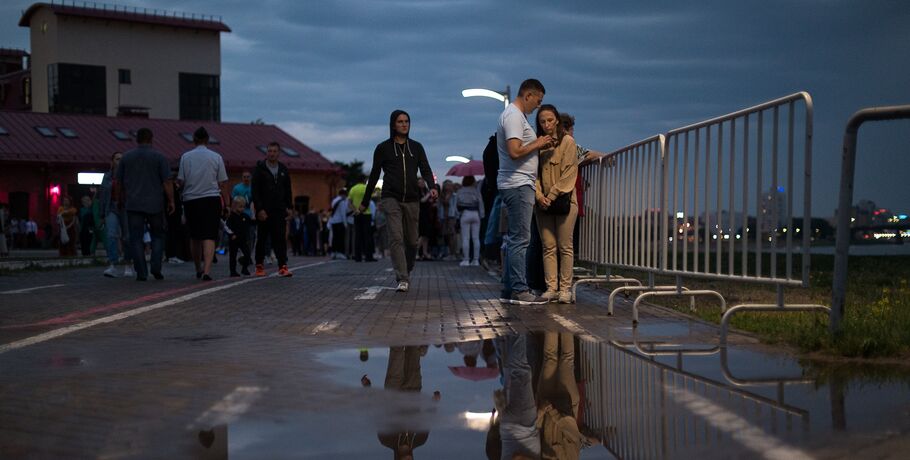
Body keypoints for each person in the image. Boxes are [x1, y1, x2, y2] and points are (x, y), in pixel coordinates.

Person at [359, 109, 437, 292]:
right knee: (396, 237)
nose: (404, 124)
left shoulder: (416, 147)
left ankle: (407, 269)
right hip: (390, 197)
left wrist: (432, 186)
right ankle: (402, 277)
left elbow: (425, 169)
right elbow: (374, 176)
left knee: (412, 241)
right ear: (393, 125)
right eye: (400, 121)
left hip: (412, 199)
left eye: (406, 121)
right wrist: (364, 201)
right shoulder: (383, 148)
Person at [497, 79, 553, 305]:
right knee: (521, 239)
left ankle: (511, 287)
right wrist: (538, 144)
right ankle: (520, 290)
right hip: (518, 184)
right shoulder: (513, 116)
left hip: (517, 184)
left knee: (516, 239)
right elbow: (514, 151)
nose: (538, 106)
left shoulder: (516, 116)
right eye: (538, 101)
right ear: (528, 95)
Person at [534, 104, 579, 304]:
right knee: (548, 246)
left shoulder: (568, 142)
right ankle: (551, 287)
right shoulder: (537, 144)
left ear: (557, 121)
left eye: (550, 120)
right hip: (541, 201)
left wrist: (550, 196)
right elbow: (531, 173)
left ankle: (565, 289)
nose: (547, 124)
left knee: (565, 245)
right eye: (542, 121)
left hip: (564, 201)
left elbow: (569, 173)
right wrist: (538, 196)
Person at [116, 128, 174, 281]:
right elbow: (167, 182)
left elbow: (118, 182)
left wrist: (120, 199)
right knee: (158, 235)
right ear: (151, 139)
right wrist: (171, 201)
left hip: (133, 203)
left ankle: (141, 272)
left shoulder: (126, 157)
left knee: (135, 238)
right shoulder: (159, 157)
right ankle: (156, 267)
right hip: (155, 203)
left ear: (137, 139)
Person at [177, 127, 228, 281]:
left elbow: (181, 181)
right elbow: (223, 183)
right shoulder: (216, 157)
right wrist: (226, 203)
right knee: (209, 236)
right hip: (211, 199)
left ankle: (197, 268)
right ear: (207, 140)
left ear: (194, 140)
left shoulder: (185, 157)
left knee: (195, 236)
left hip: (191, 199)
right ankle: (207, 270)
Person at [251, 141, 294, 277]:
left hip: (279, 210)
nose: (272, 154)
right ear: (266, 152)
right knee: (262, 239)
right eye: (270, 151)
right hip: (264, 210)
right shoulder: (260, 169)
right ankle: (259, 266)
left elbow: (288, 190)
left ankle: (283, 266)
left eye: (274, 151)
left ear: (279, 153)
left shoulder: (283, 169)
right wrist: (259, 209)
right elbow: (255, 191)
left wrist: (289, 207)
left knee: (280, 239)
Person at [98, 151, 134, 278]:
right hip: (111, 208)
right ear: (112, 161)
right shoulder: (107, 177)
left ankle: (128, 264)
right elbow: (102, 196)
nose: (120, 161)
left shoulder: (129, 176)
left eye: (122, 159)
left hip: (125, 208)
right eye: (117, 159)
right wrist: (102, 214)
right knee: (111, 235)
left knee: (127, 237)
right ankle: (112, 264)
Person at [456, 176, 485, 266]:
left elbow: (456, 205)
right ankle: (475, 260)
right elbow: (481, 203)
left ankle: (466, 259)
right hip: (475, 213)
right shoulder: (476, 191)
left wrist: (458, 216)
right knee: (476, 238)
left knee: (465, 238)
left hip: (465, 213)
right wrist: (482, 215)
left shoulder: (460, 191)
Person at [347, 176, 376, 262]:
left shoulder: (353, 189)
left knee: (358, 236)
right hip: (366, 214)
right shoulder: (366, 188)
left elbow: (349, 203)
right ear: (364, 180)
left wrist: (356, 210)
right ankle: (368, 257)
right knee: (367, 236)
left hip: (357, 215)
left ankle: (358, 257)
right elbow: (369, 199)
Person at [225, 196, 253, 277]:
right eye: (240, 206)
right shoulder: (231, 217)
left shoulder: (245, 216)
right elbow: (227, 227)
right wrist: (231, 234)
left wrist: (256, 219)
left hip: (243, 239)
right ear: (234, 206)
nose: (242, 208)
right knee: (232, 256)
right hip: (234, 239)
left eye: (243, 206)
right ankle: (233, 271)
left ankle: (244, 268)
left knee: (247, 254)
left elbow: (251, 222)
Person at [328, 188, 348, 259]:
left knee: (334, 238)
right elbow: (343, 213)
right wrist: (345, 224)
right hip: (340, 222)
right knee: (340, 238)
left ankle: (333, 252)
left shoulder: (334, 200)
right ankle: (340, 252)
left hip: (333, 221)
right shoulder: (342, 201)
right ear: (344, 195)